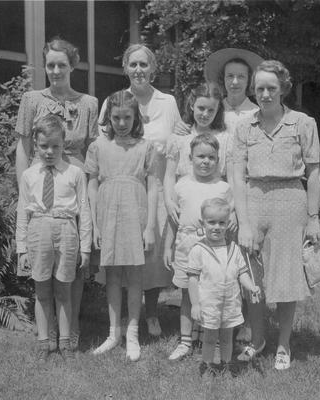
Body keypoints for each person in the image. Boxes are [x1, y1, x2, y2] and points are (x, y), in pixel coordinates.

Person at [232, 60, 320, 370]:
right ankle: (258, 339)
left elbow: (313, 172)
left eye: (271, 88)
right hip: (253, 200)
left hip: (290, 202)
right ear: (253, 91)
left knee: (285, 276)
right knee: (252, 276)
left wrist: (313, 217)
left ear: (283, 88)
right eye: (260, 88)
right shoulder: (244, 126)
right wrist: (243, 222)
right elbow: (236, 175)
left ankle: (283, 343)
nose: (265, 94)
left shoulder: (303, 123)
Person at [14, 38, 98, 350]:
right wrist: (23, 185)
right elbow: (23, 149)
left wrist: (92, 190)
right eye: (50, 64)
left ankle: (71, 329)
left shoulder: (88, 103)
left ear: (73, 65)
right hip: (40, 185)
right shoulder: (31, 99)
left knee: (72, 267)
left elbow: (92, 151)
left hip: (74, 182)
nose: (56, 70)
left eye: (62, 64)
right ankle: (47, 337)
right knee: (44, 270)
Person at [97, 44, 183, 336]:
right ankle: (121, 319)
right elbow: (103, 142)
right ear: (125, 68)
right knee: (124, 251)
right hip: (125, 186)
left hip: (156, 185)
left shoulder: (168, 102)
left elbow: (178, 137)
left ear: (153, 68)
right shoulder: (114, 101)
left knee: (153, 256)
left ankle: (152, 313)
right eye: (133, 64)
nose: (138, 70)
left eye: (143, 65)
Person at [86, 90, 159, 361]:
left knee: (135, 276)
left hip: (135, 214)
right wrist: (94, 225)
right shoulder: (98, 146)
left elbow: (153, 187)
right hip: (107, 215)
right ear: (108, 118)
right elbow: (92, 184)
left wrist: (150, 225)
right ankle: (113, 332)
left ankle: (132, 333)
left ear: (135, 117)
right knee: (113, 276)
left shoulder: (145, 147)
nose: (121, 122)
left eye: (127, 117)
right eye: (116, 117)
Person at [15, 114, 92, 358]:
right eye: (44, 146)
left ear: (63, 144)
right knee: (42, 292)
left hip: (66, 230)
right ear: (35, 146)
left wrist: (86, 247)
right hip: (39, 230)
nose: (49, 151)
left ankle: (65, 342)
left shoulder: (74, 173)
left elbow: (84, 210)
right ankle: (44, 341)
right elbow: (22, 211)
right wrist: (22, 248)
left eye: (55, 146)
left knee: (64, 291)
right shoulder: (29, 175)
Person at [204, 48, 264, 344]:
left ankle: (248, 322)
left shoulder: (257, 113)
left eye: (241, 76)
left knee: (245, 257)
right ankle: (216, 319)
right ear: (223, 79)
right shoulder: (216, 109)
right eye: (230, 76)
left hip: (246, 190)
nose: (235, 82)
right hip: (216, 189)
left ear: (249, 80)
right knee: (219, 255)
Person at [163, 134, 234, 361]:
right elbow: (173, 220)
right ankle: (185, 340)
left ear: (218, 160)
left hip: (213, 249)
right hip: (186, 244)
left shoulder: (223, 188)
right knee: (187, 294)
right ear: (190, 158)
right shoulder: (181, 185)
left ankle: (206, 338)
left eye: (211, 157)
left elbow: (228, 224)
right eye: (200, 156)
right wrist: (167, 247)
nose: (206, 161)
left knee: (212, 294)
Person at [187, 198, 261, 375]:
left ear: (228, 224)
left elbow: (241, 273)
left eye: (221, 223)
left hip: (229, 303)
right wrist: (195, 304)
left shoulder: (233, 248)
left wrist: (251, 286)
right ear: (202, 222)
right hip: (209, 304)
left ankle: (226, 365)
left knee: (227, 338)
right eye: (211, 222)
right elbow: (192, 280)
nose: (216, 227)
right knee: (210, 338)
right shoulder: (198, 249)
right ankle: (207, 365)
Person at [163, 82, 229, 225]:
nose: (205, 114)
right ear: (192, 105)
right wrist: (168, 201)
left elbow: (232, 179)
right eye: (201, 108)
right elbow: (169, 176)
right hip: (184, 207)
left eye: (211, 110)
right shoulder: (179, 138)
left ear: (218, 110)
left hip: (215, 213)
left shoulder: (225, 139)